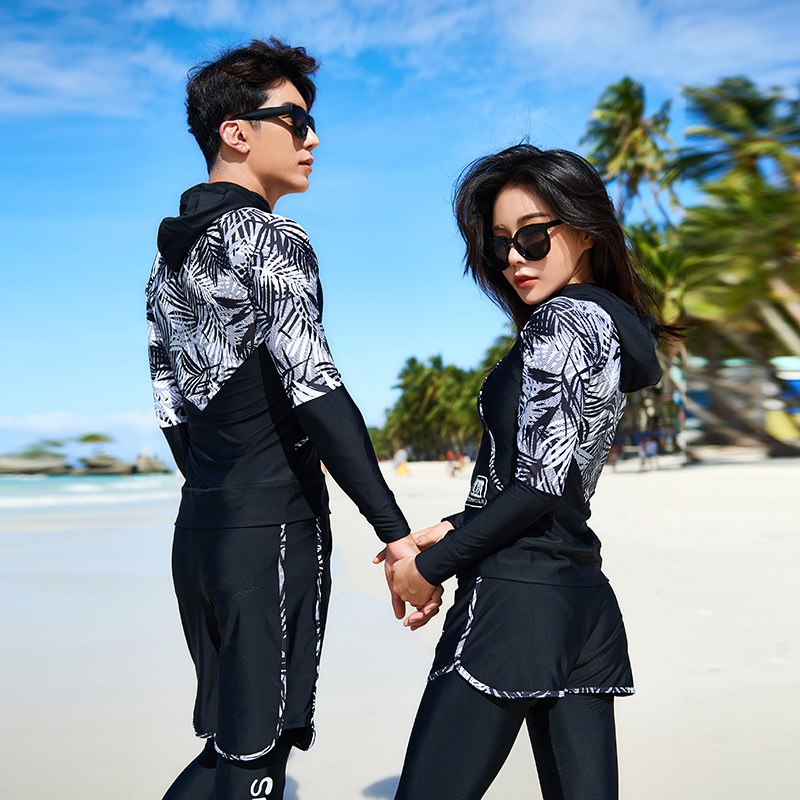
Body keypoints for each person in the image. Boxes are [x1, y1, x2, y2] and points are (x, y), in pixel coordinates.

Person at [146, 38, 440, 800]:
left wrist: (222, 493)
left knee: (227, 747)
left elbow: (171, 407)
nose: (313, 139)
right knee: (259, 759)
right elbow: (317, 389)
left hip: (200, 534)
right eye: (296, 121)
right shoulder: (271, 236)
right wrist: (393, 532)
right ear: (236, 132)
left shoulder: (166, 259)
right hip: (271, 534)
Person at [379, 144, 680, 800]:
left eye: (534, 236)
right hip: (582, 600)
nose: (515, 257)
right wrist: (455, 525)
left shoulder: (561, 322)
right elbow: (555, 483)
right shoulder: (606, 325)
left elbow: (538, 485)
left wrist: (430, 567)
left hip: (514, 602)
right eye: (500, 244)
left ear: (586, 231)